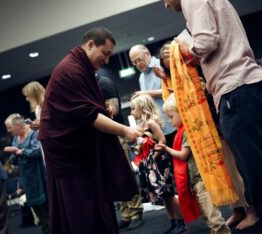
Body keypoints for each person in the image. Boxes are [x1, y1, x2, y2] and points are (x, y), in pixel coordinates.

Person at [162, 0, 262, 233]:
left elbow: (206, 42)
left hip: (234, 89)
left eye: (164, 0)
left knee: (257, 171)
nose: (166, 5)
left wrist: (180, 48)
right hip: (246, 85)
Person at [38, 27, 141, 234]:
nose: (107, 60)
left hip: (76, 150)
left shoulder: (79, 67)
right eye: (106, 53)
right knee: (83, 211)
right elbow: (89, 115)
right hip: (67, 155)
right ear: (91, 44)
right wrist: (125, 131)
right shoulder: (71, 70)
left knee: (94, 203)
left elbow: (90, 110)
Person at [155, 94, 231, 234]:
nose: (169, 121)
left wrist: (166, 149)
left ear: (182, 114)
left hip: (200, 179)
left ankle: (222, 231)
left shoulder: (187, 133)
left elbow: (183, 155)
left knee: (211, 212)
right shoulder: (181, 132)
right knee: (205, 212)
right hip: (194, 180)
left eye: (171, 117)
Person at [130, 94, 186, 234]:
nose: (131, 112)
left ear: (142, 107)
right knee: (163, 196)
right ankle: (173, 223)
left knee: (168, 193)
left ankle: (182, 224)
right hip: (148, 164)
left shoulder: (151, 123)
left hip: (158, 162)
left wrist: (153, 156)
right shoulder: (139, 125)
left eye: (133, 108)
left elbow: (162, 140)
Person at [96, 74, 144, 230]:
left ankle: (136, 212)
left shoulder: (104, 83)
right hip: (104, 137)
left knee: (125, 173)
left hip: (117, 134)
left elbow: (114, 110)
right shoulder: (90, 84)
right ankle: (126, 214)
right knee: (114, 177)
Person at [4, 113, 49, 234]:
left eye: (9, 127)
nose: (8, 131)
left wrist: (19, 151)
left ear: (18, 125)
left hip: (40, 178)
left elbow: (37, 152)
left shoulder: (33, 134)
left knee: (47, 213)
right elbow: (16, 160)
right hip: (28, 182)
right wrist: (14, 154)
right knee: (39, 214)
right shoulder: (16, 138)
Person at [129, 44, 176, 148]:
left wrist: (146, 93)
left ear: (147, 53)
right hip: (157, 127)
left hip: (173, 122)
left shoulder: (162, 65)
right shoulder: (141, 77)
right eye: (134, 62)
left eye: (139, 59)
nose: (138, 64)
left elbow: (173, 90)